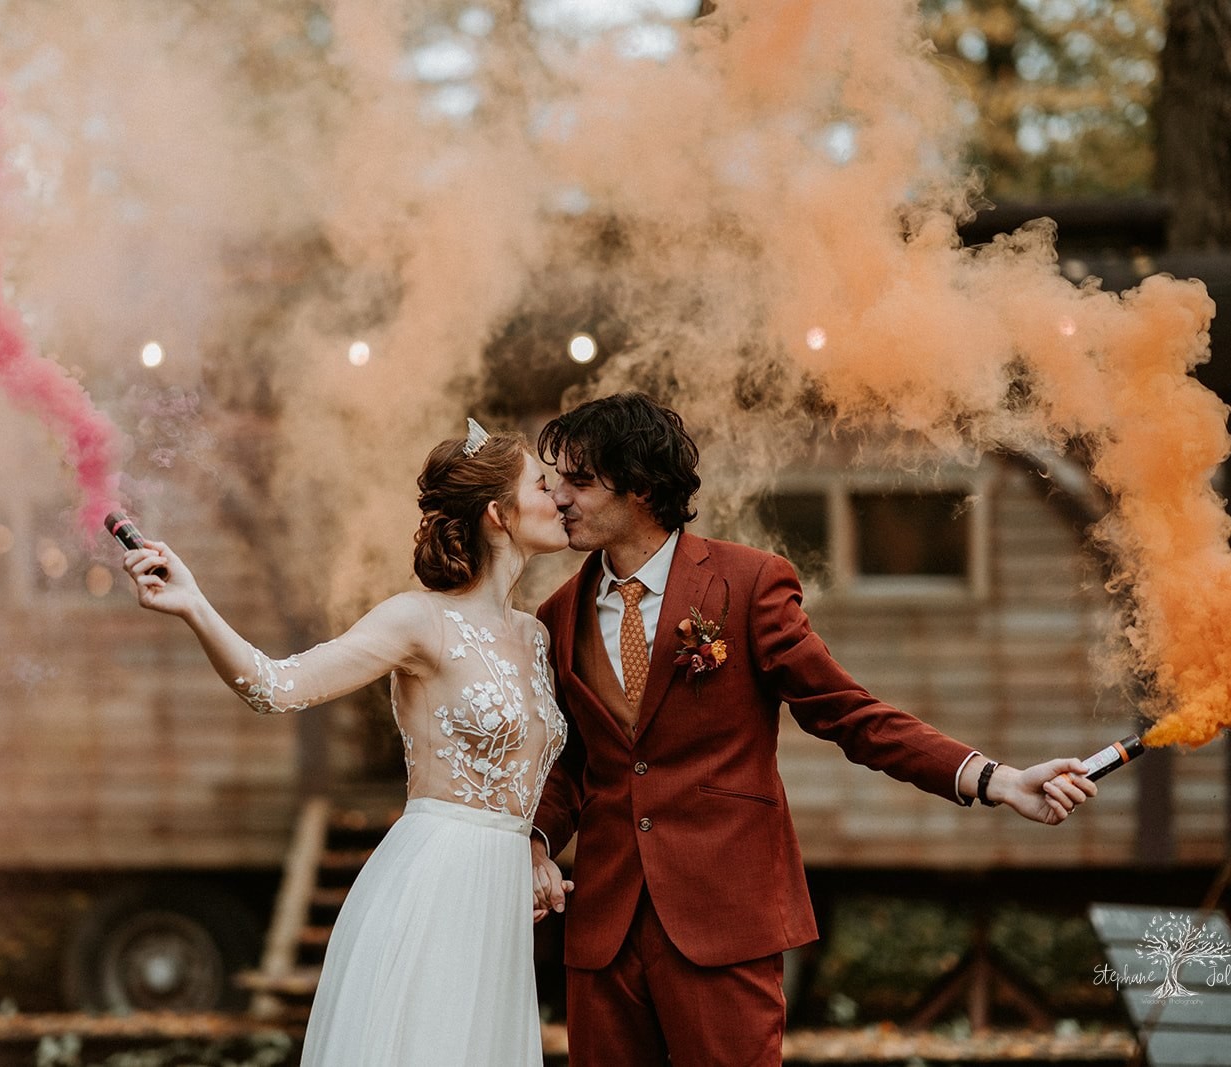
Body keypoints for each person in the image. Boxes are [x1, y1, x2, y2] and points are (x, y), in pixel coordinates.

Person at [526, 392, 1099, 1067]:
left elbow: (849, 712)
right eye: (556, 478)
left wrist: (993, 778)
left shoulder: (749, 583)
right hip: (603, 936)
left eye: (580, 479)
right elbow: (566, 764)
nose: (556, 496)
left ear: (642, 487)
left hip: (724, 921)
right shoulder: (557, 613)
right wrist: (535, 839)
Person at [121, 421, 570, 1067]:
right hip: (435, 884)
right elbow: (275, 686)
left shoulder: (535, 636)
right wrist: (195, 604)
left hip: (499, 897)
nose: (559, 497)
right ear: (499, 514)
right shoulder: (418, 618)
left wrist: (532, 850)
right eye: (542, 484)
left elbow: (526, 777)